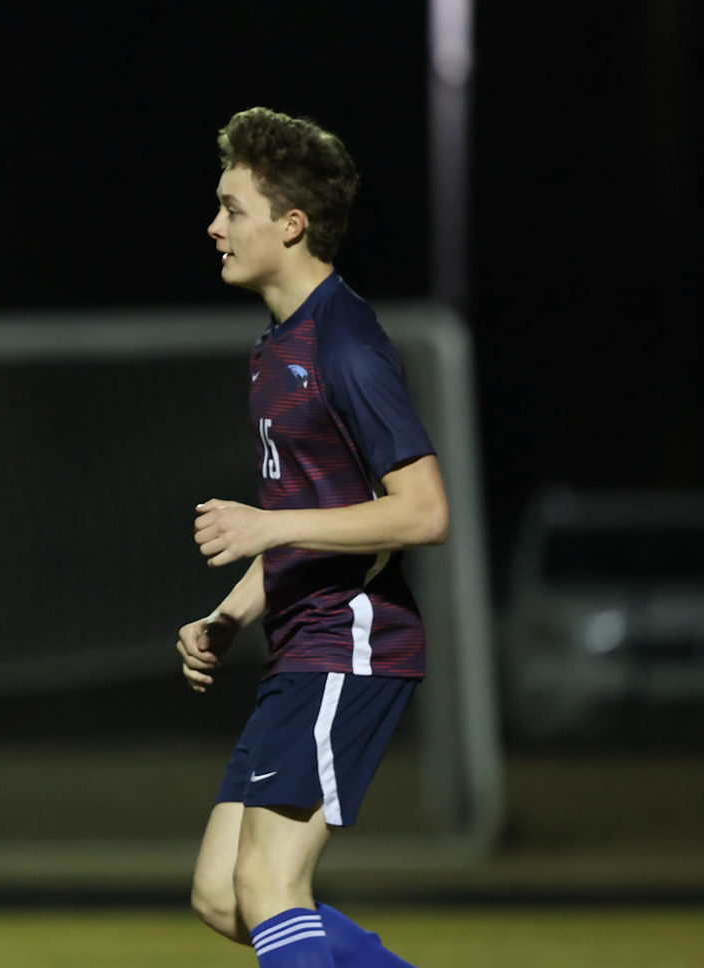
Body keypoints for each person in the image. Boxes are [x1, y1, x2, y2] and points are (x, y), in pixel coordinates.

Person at [179, 108, 449, 968]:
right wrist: (231, 614)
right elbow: (318, 521)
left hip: (352, 642)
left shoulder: (345, 342)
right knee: (223, 896)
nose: (214, 226)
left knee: (267, 886)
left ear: (291, 224)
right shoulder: (278, 348)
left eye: (233, 208)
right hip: (305, 645)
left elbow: (423, 512)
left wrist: (269, 525)